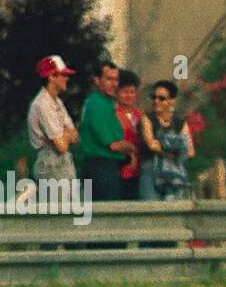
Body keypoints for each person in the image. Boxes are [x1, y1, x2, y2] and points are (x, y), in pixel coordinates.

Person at [78, 60, 133, 201]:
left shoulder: (106, 103)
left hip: (106, 167)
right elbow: (113, 144)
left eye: (116, 79)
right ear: (97, 80)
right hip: (101, 168)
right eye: (109, 79)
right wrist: (133, 147)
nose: (114, 84)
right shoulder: (96, 104)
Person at [27, 55, 79, 186]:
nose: (67, 78)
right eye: (63, 75)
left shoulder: (57, 101)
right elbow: (62, 146)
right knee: (57, 206)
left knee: (71, 204)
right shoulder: (42, 103)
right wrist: (64, 135)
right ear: (51, 76)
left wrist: (63, 136)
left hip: (63, 162)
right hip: (49, 162)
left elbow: (75, 135)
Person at [139, 81, 195, 200]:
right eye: (154, 97)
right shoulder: (147, 119)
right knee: (151, 210)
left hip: (174, 172)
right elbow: (152, 145)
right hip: (151, 170)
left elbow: (190, 151)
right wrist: (175, 149)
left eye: (162, 98)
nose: (156, 101)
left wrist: (164, 145)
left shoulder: (180, 122)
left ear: (172, 101)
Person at [115, 69, 143, 201]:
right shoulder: (112, 114)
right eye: (124, 92)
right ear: (117, 93)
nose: (128, 95)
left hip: (141, 168)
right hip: (121, 167)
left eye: (132, 92)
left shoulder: (141, 115)